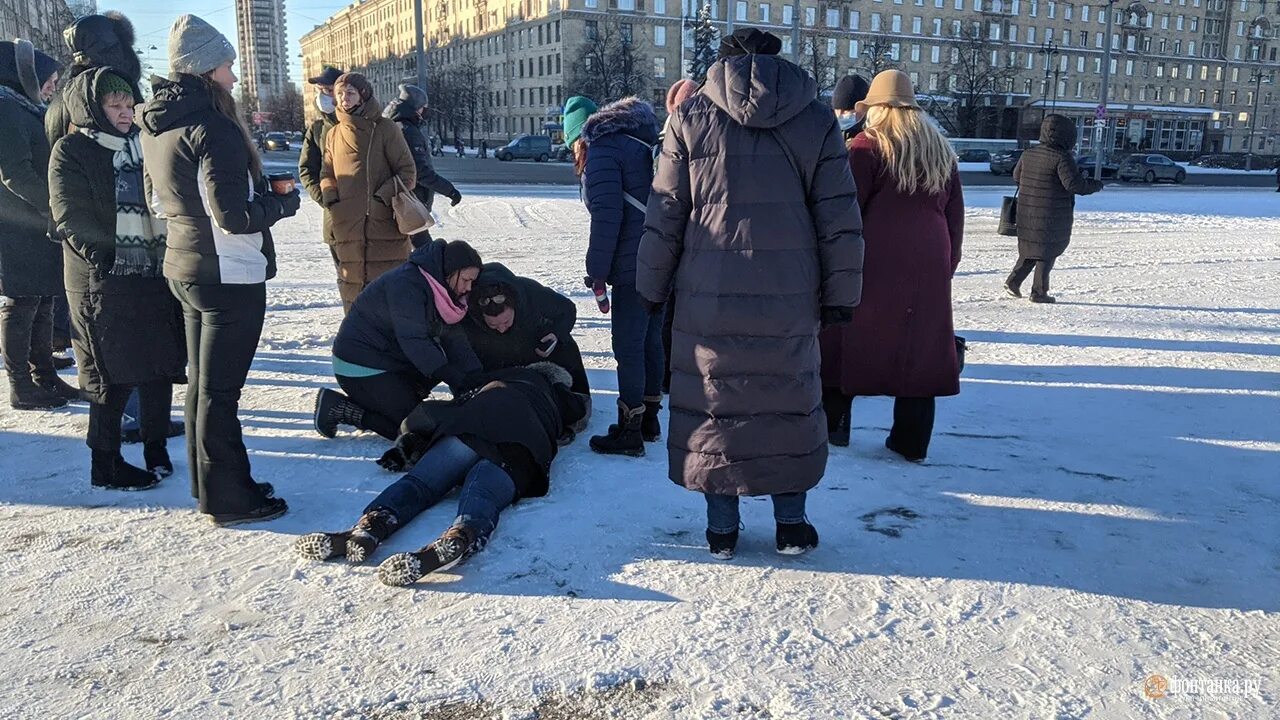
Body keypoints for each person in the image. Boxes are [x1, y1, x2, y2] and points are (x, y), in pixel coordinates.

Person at [637, 28, 863, 559]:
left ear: (723, 62)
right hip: (790, 292)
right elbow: (838, 215)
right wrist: (841, 295)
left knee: (718, 401)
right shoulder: (815, 120)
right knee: (785, 400)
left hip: (708, 292)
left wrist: (650, 287)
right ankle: (790, 524)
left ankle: (721, 531)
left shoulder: (688, 118)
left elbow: (665, 210)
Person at [140, 14, 300, 525]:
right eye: (228, 66)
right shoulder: (215, 127)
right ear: (208, 69)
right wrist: (280, 206)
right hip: (227, 274)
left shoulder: (159, 125)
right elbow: (232, 216)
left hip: (184, 267)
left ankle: (208, 483)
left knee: (203, 386)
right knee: (219, 391)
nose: (234, 77)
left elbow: (156, 200)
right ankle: (231, 497)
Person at [297, 362, 588, 586]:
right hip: (522, 439)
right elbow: (577, 409)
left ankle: (370, 526)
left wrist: (411, 438)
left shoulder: (497, 380)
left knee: (420, 483)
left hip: (474, 421)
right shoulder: (552, 391)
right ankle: (461, 537)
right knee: (482, 491)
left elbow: (435, 410)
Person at [48, 11, 184, 443]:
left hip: (112, 245)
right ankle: (127, 426)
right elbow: (75, 183)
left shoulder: (80, 92)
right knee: (109, 344)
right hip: (100, 250)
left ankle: (142, 418)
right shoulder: (89, 99)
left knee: (123, 339)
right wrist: (101, 248)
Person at [819, 70, 964, 461]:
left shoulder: (866, 147)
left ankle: (835, 428)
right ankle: (911, 441)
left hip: (874, 260)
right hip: (930, 260)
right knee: (920, 353)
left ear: (877, 108)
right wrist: (944, 267)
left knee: (842, 341)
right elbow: (955, 217)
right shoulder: (941, 151)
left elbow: (847, 214)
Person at [313, 239, 484, 441]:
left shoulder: (444, 292)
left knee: (438, 375)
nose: (468, 288)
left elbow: (454, 339)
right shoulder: (407, 284)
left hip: (392, 360)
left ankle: (397, 398)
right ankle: (340, 408)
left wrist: (476, 377)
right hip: (361, 365)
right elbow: (414, 339)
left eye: (473, 281)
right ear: (450, 271)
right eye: (466, 280)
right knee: (415, 427)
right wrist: (453, 376)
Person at [572, 95, 665, 457]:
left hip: (632, 263)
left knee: (628, 347)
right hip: (664, 255)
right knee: (651, 340)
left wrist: (596, 271)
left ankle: (630, 431)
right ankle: (650, 420)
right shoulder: (645, 141)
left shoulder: (605, 149)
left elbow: (608, 218)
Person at [0, 39, 73, 411]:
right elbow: (14, 172)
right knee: (22, 303)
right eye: (49, 80)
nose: (52, 88)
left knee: (45, 297)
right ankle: (20, 386)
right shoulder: (5, 107)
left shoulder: (24, 106)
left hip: (35, 222)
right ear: (26, 75)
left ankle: (44, 375)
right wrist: (53, 205)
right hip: (17, 223)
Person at [321, 72, 416, 313]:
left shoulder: (385, 129)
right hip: (347, 225)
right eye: (340, 93)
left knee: (389, 296)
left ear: (363, 95)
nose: (344, 99)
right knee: (352, 292)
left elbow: (407, 172)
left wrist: (380, 198)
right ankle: (357, 346)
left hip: (384, 225)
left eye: (350, 93)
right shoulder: (333, 134)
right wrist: (333, 201)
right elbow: (326, 173)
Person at [1005, 114, 1103, 303]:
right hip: (1051, 212)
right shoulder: (1061, 157)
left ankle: (1013, 282)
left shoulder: (1028, 153)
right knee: (1047, 251)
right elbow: (1074, 185)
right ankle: (1039, 293)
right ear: (1067, 136)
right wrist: (1095, 184)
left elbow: (1017, 177)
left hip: (1027, 211)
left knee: (1030, 248)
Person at [463, 262, 590, 398]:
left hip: (536, 350)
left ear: (514, 305)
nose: (501, 329)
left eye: (506, 322)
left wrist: (556, 333)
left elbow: (567, 309)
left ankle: (578, 399)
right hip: (497, 363)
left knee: (566, 347)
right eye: (493, 325)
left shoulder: (529, 291)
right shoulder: (468, 313)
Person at [383, 84, 462, 248]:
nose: (425, 111)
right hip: (408, 202)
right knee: (425, 251)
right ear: (415, 108)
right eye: (423, 108)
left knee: (403, 249)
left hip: (399, 200)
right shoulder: (407, 131)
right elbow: (419, 171)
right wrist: (450, 190)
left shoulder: (393, 126)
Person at [658, 80, 698, 394]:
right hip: (696, 243)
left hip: (682, 243)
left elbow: (667, 200)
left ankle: (669, 375)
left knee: (671, 314)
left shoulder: (676, 135)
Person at [298, 65, 342, 268]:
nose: (322, 95)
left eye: (327, 89)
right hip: (336, 221)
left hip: (371, 220)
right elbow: (307, 170)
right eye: (320, 90)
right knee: (347, 279)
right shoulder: (317, 129)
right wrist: (326, 199)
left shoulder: (369, 126)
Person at [831, 73, 870, 144]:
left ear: (863, 108)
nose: (840, 115)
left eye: (846, 110)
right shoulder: (827, 136)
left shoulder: (870, 141)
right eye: (837, 109)